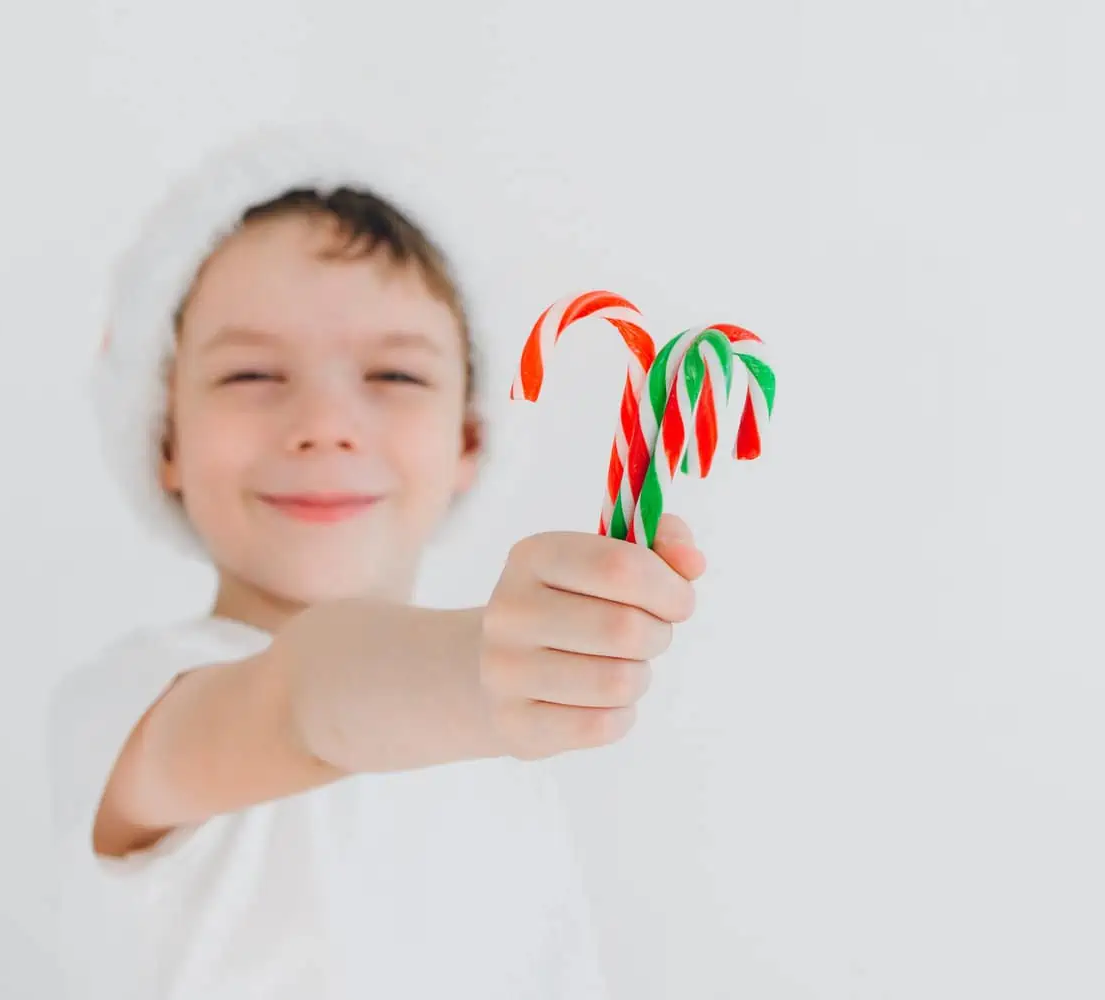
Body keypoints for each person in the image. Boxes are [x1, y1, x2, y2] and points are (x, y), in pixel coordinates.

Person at [46, 126, 707, 999]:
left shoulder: (501, 761)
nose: (327, 422)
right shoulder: (133, 708)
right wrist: (475, 670)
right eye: (251, 375)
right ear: (163, 434)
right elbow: (301, 697)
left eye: (394, 376)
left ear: (471, 437)